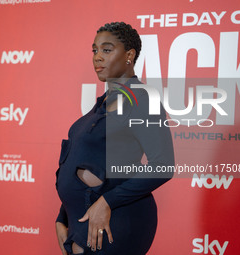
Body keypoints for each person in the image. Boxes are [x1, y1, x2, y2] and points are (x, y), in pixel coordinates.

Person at [55, 22, 174, 255]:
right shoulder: (103, 104)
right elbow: (83, 164)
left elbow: (163, 166)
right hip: (82, 222)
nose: (98, 57)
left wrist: (107, 202)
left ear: (129, 55)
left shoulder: (142, 100)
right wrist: (63, 217)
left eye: (107, 50)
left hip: (117, 220)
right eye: (95, 50)